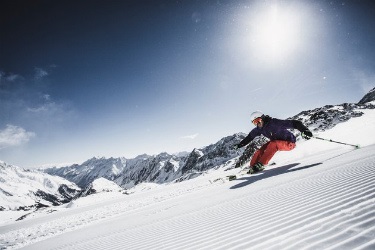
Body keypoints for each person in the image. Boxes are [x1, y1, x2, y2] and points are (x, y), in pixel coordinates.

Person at [235, 111, 313, 174]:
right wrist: (239, 145)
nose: (257, 124)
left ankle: (261, 164)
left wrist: (305, 131)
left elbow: (296, 123)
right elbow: (250, 137)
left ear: (262, 118)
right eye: (254, 122)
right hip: (275, 142)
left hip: (289, 143)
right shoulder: (259, 129)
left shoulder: (274, 123)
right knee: (261, 150)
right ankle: (253, 165)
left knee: (273, 144)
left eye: (258, 120)